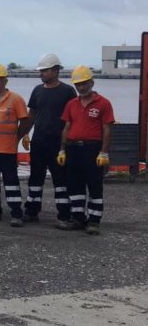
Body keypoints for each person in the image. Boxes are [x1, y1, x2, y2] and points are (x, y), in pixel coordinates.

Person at [58, 66, 115, 235]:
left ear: (92, 82)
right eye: (78, 84)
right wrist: (62, 150)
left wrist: (104, 152)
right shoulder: (71, 104)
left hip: (92, 149)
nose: (81, 87)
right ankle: (78, 218)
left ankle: (94, 221)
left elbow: (107, 129)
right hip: (73, 149)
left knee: (94, 185)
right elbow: (67, 127)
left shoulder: (103, 103)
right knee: (74, 185)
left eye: (84, 83)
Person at [24, 53, 76, 224]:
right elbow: (31, 115)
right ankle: (31, 211)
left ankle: (64, 214)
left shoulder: (68, 91)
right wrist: (25, 133)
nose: (41, 74)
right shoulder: (37, 90)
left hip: (58, 144)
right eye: (40, 71)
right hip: (38, 142)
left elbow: (73, 118)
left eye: (44, 71)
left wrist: (68, 144)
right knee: (35, 178)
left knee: (60, 179)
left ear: (55, 70)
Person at [0, 64, 31, 226]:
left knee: (11, 182)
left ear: (5, 81)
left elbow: (25, 122)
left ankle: (16, 213)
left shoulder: (16, 99)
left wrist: (17, 137)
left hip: (7, 150)